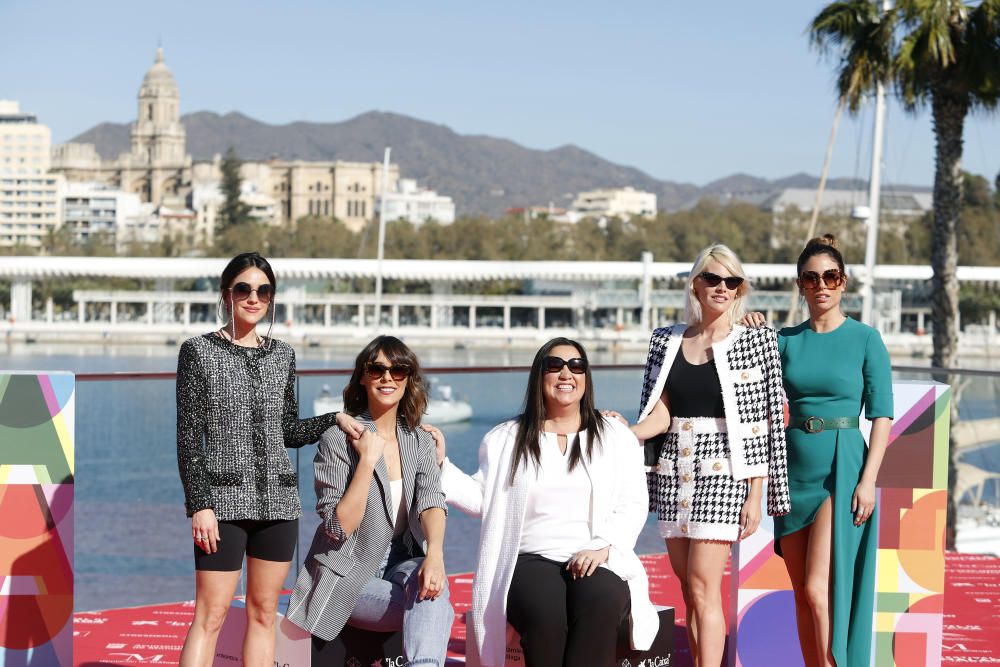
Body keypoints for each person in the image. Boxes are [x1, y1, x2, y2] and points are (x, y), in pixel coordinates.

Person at [175, 251, 363, 667]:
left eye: (263, 290)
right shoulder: (197, 352)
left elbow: (288, 431)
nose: (253, 297)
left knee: (263, 614)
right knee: (211, 615)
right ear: (228, 294)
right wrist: (199, 504)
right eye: (244, 288)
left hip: (279, 505)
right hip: (222, 504)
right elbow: (189, 437)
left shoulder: (283, 356)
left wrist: (333, 418)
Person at [432, 337, 658, 667]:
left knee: (602, 599)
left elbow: (633, 502)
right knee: (546, 613)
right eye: (555, 366)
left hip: (596, 555)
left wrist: (602, 545)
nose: (566, 374)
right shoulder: (507, 438)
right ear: (540, 376)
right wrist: (441, 466)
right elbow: (485, 500)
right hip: (529, 559)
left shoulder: (614, 435)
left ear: (586, 377)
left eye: (576, 366)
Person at [629, 243, 790, 667]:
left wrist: (757, 492)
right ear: (696, 285)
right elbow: (660, 410)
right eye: (712, 279)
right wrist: (624, 433)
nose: (721, 287)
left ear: (740, 290)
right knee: (687, 589)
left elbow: (767, 418)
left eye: (731, 281)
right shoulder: (665, 340)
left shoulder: (755, 340)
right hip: (673, 469)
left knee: (704, 586)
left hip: (725, 470)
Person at [286, 335, 454, 666]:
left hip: (400, 565)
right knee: (434, 602)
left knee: (429, 580)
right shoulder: (338, 438)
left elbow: (433, 500)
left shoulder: (418, 440)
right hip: (347, 571)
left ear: (409, 379)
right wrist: (365, 462)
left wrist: (434, 555)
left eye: (398, 370)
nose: (387, 378)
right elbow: (337, 527)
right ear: (363, 377)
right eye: (377, 369)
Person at [773, 235, 892, 666]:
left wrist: (869, 481)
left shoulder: (865, 339)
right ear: (800, 285)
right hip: (791, 469)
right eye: (811, 278)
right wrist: (748, 325)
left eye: (831, 276)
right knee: (802, 593)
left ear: (844, 283)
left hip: (841, 470)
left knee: (821, 590)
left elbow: (881, 415)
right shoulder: (784, 341)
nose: (821, 284)